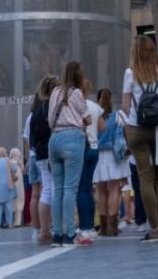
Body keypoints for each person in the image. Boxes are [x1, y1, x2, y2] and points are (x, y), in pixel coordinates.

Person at [123, 35, 158, 242]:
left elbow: (126, 107)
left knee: (145, 178)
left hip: (137, 129)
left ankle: (154, 228)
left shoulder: (130, 73)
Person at [48, 60, 93, 246]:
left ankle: (57, 235)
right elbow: (88, 119)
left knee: (57, 189)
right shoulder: (76, 93)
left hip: (54, 139)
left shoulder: (54, 92)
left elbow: (49, 119)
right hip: (72, 138)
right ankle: (69, 233)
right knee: (70, 189)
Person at [93, 87, 127, 236]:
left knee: (100, 191)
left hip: (98, 155)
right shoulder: (117, 116)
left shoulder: (94, 116)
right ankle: (113, 226)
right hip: (114, 155)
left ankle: (103, 225)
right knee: (114, 189)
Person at [29, 75, 58, 243]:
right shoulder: (53, 107)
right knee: (56, 188)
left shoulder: (36, 111)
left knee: (46, 189)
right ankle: (56, 227)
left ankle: (44, 230)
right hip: (52, 151)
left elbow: (31, 134)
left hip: (39, 153)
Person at [78, 79, 104, 238]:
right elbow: (103, 127)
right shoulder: (95, 106)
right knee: (88, 188)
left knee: (81, 189)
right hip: (94, 149)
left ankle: (84, 225)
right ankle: (91, 226)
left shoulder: (76, 105)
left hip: (81, 148)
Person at [0, 147, 15, 228]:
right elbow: (15, 168)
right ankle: (9, 223)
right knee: (8, 205)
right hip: (8, 185)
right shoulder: (8, 160)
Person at [9, 148, 26, 227]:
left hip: (12, 185)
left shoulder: (9, 162)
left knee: (12, 201)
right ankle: (18, 222)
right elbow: (23, 171)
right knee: (19, 201)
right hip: (19, 185)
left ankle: (10, 221)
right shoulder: (19, 163)